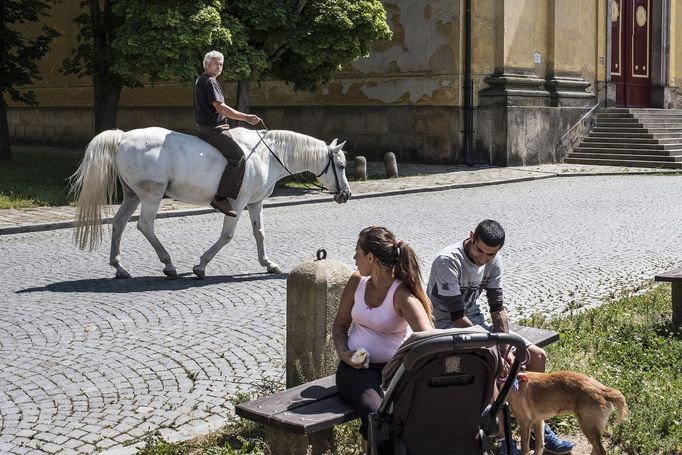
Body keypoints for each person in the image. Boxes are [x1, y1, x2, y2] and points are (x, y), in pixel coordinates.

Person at [427, 219, 575, 455]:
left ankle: (538, 428)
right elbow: (456, 317)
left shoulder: (493, 260)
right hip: (446, 327)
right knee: (492, 364)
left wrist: (505, 342)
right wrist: (495, 349)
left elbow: (497, 308)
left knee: (536, 355)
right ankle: (505, 440)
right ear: (471, 236)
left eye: (490, 254)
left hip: (477, 321)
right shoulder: (448, 260)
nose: (483, 258)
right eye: (479, 250)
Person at [333, 226, 433, 453]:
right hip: (356, 371)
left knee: (398, 416)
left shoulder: (402, 295)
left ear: (370, 257)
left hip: (396, 372)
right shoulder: (356, 282)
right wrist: (344, 354)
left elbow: (429, 341)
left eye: (357, 251)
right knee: (376, 414)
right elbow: (339, 326)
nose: (354, 257)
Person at [193, 50, 261, 217]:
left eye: (221, 64)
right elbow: (221, 108)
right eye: (216, 63)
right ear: (206, 64)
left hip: (205, 127)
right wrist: (245, 117)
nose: (219, 66)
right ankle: (221, 198)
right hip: (213, 129)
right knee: (238, 157)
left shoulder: (201, 80)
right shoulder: (209, 81)